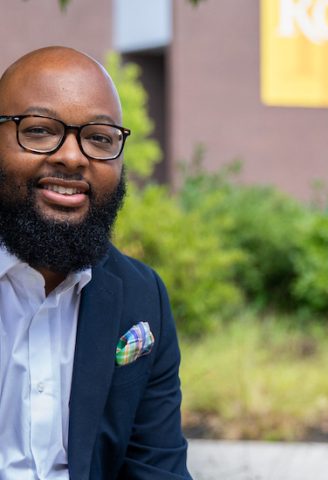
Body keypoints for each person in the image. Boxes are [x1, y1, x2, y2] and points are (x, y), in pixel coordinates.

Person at [0, 46, 191, 479]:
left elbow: (155, 468)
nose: (72, 156)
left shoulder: (141, 297)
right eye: (39, 130)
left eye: (99, 138)